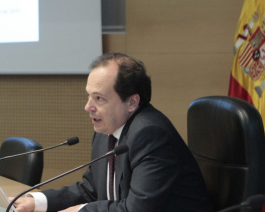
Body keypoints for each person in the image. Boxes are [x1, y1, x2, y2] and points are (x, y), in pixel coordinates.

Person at [13, 52, 213, 212]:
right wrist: (37, 202)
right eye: (89, 96)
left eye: (99, 98)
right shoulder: (105, 131)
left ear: (132, 102)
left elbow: (138, 209)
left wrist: (82, 210)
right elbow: (90, 190)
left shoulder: (151, 134)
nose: (88, 107)